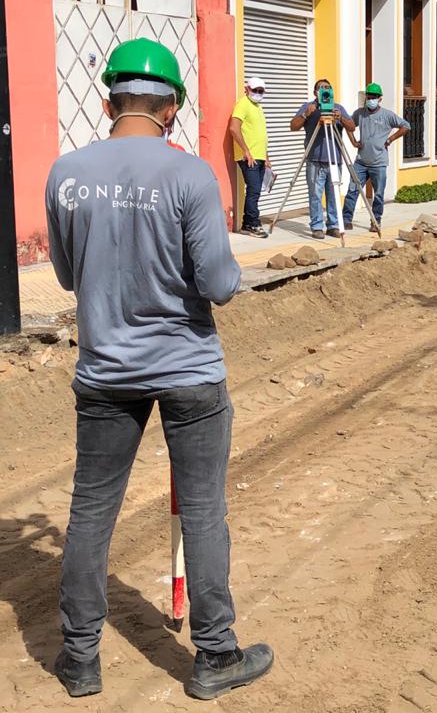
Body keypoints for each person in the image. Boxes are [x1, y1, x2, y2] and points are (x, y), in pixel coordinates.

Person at [45, 38, 273, 701]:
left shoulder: (66, 172)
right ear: (172, 107)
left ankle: (80, 659)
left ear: (107, 97)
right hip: (188, 369)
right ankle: (214, 657)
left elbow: (65, 274)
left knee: (91, 510)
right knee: (202, 509)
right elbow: (220, 283)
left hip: (105, 371)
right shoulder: (191, 175)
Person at [290, 79, 356, 239]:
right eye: (322, 88)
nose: (325, 91)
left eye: (328, 88)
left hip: (334, 160)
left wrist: (340, 118)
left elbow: (352, 127)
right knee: (315, 196)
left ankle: (333, 226)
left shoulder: (338, 108)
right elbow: (293, 126)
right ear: (315, 92)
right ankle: (317, 226)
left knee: (333, 195)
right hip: (315, 160)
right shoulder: (308, 107)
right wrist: (307, 114)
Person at [343, 82, 410, 231]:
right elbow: (349, 125)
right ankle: (346, 220)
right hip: (361, 162)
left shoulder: (387, 115)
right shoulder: (359, 113)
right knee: (352, 190)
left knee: (378, 194)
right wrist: (353, 141)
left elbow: (406, 126)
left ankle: (375, 221)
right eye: (369, 96)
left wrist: (390, 139)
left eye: (374, 97)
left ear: (380, 99)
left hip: (379, 162)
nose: (371, 99)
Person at [229, 76, 270, 238]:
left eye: (261, 91)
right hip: (249, 157)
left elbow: (260, 134)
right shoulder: (243, 104)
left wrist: (266, 156)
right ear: (247, 89)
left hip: (259, 156)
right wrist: (246, 151)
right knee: (253, 190)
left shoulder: (258, 107)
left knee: (255, 191)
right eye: (255, 90)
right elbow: (234, 128)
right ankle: (253, 223)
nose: (258, 93)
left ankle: (247, 222)